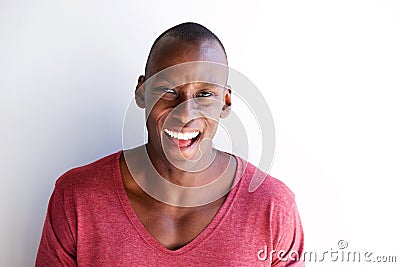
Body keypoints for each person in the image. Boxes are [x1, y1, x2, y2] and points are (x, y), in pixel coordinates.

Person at [36, 22, 304, 266]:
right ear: (141, 93)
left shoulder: (272, 207)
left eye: (204, 94)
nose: (185, 113)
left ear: (225, 102)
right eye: (167, 91)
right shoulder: (77, 197)